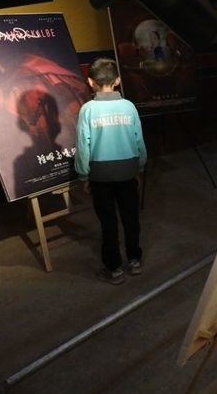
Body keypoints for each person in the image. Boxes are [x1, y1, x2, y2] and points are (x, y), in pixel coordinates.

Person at [75, 58, 148, 285]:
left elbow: (83, 146)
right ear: (117, 80)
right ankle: (134, 260)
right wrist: (139, 167)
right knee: (131, 218)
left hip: (101, 176)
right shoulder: (129, 107)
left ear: (90, 82)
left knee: (108, 222)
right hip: (127, 173)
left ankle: (114, 269)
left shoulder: (87, 110)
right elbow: (139, 141)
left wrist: (83, 174)